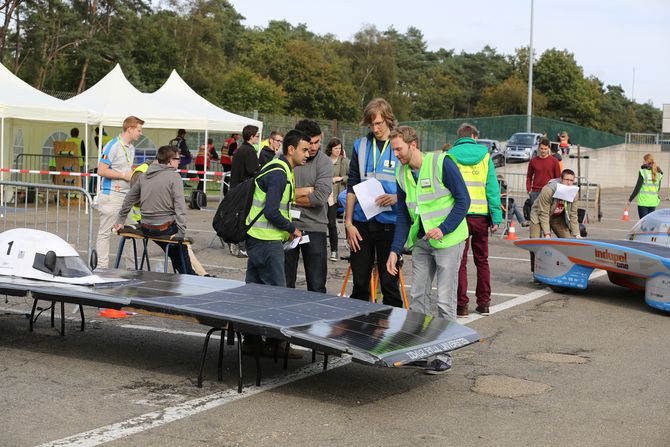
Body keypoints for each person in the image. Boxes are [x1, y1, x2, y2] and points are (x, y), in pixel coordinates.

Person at [386, 126, 470, 374]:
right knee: (418, 296)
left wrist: (444, 228)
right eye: (393, 150)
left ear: (413, 145)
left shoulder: (441, 163)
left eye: (399, 149)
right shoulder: (401, 175)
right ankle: (419, 350)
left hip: (448, 240)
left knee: (444, 300)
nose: (396, 155)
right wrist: (394, 250)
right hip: (421, 241)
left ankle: (443, 354)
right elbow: (403, 215)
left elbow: (463, 200)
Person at [344, 98, 403, 308]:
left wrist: (397, 198)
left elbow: (411, 186)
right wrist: (348, 223)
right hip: (362, 222)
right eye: (371, 124)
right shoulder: (361, 145)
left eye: (379, 123)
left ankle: (392, 334)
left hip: (391, 222)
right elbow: (352, 185)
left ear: (388, 119)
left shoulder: (398, 145)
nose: (375, 128)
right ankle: (357, 332)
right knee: (360, 282)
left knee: (388, 283)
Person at [114, 146, 195, 275]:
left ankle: (186, 275)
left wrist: (120, 220)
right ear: (170, 161)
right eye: (178, 159)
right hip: (163, 227)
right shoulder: (174, 177)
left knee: (175, 250)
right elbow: (180, 207)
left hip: (146, 226)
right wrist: (181, 231)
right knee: (180, 248)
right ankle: (190, 277)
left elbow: (129, 198)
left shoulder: (144, 176)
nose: (179, 161)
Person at [449, 123, 502, 317]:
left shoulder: (451, 155)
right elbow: (492, 189)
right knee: (482, 260)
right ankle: (484, 303)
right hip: (481, 216)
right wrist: (496, 216)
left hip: (459, 215)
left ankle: (461, 305)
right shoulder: (485, 156)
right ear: (473, 136)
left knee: (460, 262)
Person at [245, 129, 310, 286]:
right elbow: (271, 211)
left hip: (258, 239)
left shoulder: (279, 168)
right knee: (276, 296)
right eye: (304, 150)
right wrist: (291, 228)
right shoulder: (279, 173)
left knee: (252, 293)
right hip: (267, 243)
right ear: (291, 149)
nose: (307, 154)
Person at [284, 120, 332, 293]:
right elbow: (272, 193)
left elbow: (319, 198)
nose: (313, 147)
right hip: (286, 227)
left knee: (317, 285)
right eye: (309, 143)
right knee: (284, 283)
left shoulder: (324, 162)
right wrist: (304, 191)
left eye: (317, 142)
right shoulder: (282, 159)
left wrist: (288, 196)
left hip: (314, 227)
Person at [95, 116, 144, 269]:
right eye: (139, 130)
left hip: (126, 195)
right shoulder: (113, 145)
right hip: (112, 195)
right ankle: (101, 268)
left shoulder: (131, 148)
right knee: (105, 233)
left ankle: (132, 268)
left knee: (131, 233)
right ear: (129, 129)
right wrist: (124, 175)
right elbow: (101, 170)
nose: (141, 133)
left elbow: (126, 169)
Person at [528, 169, 581, 272]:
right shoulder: (548, 190)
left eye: (571, 180)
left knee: (569, 240)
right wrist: (547, 233)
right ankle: (535, 272)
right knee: (535, 242)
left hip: (556, 216)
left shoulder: (574, 193)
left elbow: (573, 214)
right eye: (566, 180)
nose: (569, 183)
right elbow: (543, 213)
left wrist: (576, 233)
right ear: (561, 179)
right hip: (539, 214)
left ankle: (566, 270)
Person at [229, 125, 260, 257]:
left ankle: (236, 243)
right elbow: (253, 170)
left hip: (236, 187)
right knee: (244, 217)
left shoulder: (239, 150)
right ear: (251, 136)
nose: (258, 138)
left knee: (239, 216)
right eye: (257, 135)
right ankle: (241, 246)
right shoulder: (249, 151)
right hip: (244, 189)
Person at [325, 137, 348, 261]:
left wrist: (340, 179)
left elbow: (352, 176)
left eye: (340, 148)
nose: (338, 150)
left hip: (335, 197)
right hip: (324, 194)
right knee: (320, 223)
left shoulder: (344, 162)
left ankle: (334, 251)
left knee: (331, 223)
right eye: (336, 148)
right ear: (330, 149)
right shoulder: (324, 160)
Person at [627, 153, 664, 219]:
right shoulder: (658, 173)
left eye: (643, 160)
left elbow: (637, 187)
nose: (642, 162)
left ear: (646, 161)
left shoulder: (643, 172)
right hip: (653, 202)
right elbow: (658, 189)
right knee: (649, 224)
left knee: (643, 224)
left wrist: (630, 199)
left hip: (643, 202)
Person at [526, 137, 561, 206]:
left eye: (545, 149)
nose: (543, 151)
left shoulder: (554, 161)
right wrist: (528, 189)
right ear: (539, 148)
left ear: (548, 148)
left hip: (549, 191)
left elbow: (558, 178)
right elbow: (529, 176)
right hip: (535, 192)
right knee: (535, 214)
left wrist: (557, 192)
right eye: (541, 148)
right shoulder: (533, 161)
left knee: (547, 214)